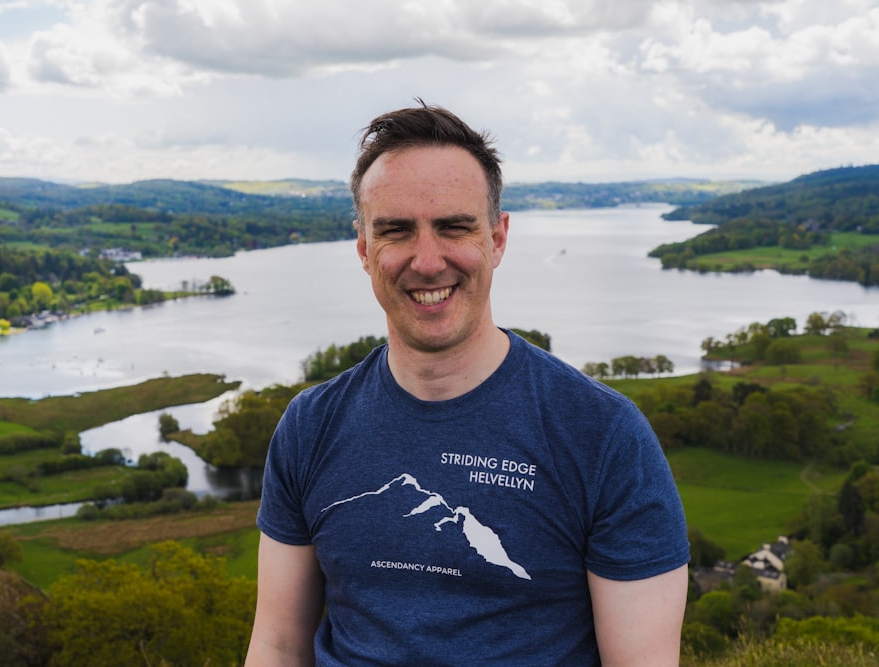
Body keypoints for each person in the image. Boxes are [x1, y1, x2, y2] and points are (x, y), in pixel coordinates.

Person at [246, 102, 690, 666]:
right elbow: (279, 646)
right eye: (396, 231)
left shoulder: (601, 434)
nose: (427, 262)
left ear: (498, 239)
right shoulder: (311, 427)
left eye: (454, 227)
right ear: (363, 249)